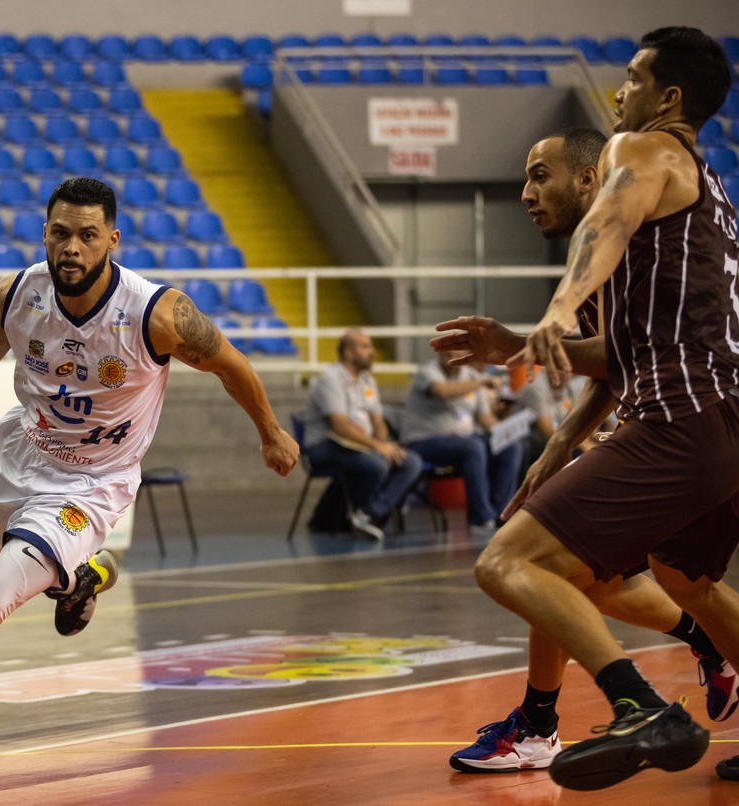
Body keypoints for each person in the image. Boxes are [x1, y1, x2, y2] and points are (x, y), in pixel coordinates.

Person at [0, 177, 299, 775]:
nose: (72, 247)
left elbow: (232, 365)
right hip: (21, 453)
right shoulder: (17, 294)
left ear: (112, 240)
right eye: (61, 233)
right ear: (46, 234)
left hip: (90, 485)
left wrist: (270, 430)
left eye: (88, 235)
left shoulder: (157, 313)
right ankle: (78, 580)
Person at [436, 29, 739, 790]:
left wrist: (559, 305)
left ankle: (635, 706)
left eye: (633, 78)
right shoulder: (704, 188)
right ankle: (596, 696)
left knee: (509, 559)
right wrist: (551, 420)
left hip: (680, 418)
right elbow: (623, 354)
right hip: (720, 420)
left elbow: (604, 225)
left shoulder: (644, 150)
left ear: (667, 98)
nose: (619, 92)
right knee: (686, 581)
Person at [302, 328, 424, 540]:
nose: (372, 351)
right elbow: (339, 426)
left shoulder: (367, 381)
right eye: (365, 346)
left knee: (411, 462)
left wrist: (385, 444)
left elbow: (378, 420)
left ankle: (369, 514)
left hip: (360, 445)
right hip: (325, 445)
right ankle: (361, 514)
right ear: (349, 352)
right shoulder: (330, 379)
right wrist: (378, 447)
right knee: (376, 464)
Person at [398, 350, 522, 540]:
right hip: (425, 441)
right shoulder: (427, 372)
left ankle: (502, 514)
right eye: (447, 355)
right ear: (439, 355)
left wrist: (505, 433)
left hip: (463, 440)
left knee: (510, 447)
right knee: (473, 447)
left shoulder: (471, 376)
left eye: (456, 355)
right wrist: (482, 382)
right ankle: (480, 518)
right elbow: (444, 391)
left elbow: (484, 417)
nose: (452, 359)